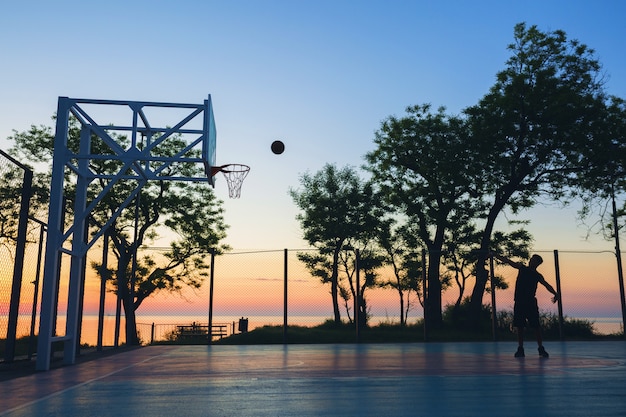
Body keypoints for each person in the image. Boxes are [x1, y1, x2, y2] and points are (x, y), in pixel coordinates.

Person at [492, 253, 559, 358]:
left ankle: (540, 348)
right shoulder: (522, 268)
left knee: (536, 326)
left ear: (537, 263)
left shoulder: (537, 275)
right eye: (531, 259)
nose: (530, 261)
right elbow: (508, 261)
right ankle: (520, 348)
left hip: (530, 302)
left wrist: (555, 293)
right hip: (519, 301)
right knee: (520, 326)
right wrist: (495, 255)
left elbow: (546, 285)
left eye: (533, 260)